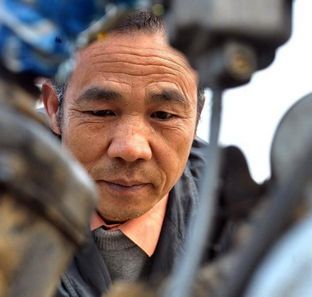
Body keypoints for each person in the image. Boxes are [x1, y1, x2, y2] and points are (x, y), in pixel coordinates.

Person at [41, 11, 214, 297]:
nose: (131, 149)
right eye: (101, 112)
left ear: (196, 118)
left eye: (163, 115)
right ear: (54, 109)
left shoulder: (240, 225)